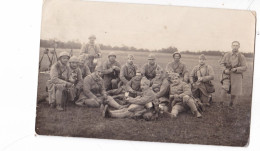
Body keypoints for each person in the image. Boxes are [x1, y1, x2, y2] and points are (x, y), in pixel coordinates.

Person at [219, 41, 247, 109]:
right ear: (231, 46)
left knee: (234, 90)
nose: (235, 47)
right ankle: (221, 103)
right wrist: (224, 70)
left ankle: (231, 104)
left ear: (239, 47)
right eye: (234, 45)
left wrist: (237, 69)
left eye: (236, 45)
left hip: (236, 75)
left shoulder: (241, 56)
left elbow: (245, 67)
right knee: (224, 88)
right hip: (227, 74)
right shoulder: (227, 54)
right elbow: (221, 63)